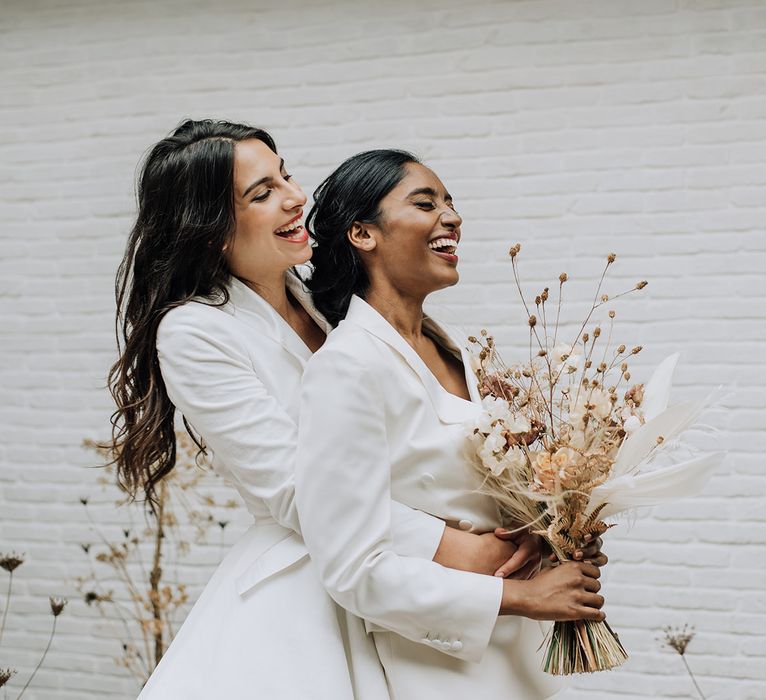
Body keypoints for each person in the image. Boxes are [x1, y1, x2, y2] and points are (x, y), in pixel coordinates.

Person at [107, 120, 549, 699]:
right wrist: (456, 547)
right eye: (261, 193)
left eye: (285, 175)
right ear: (213, 230)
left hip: (406, 581)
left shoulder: (328, 304)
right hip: (314, 587)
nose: (295, 197)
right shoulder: (195, 332)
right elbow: (295, 489)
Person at [296, 149, 607, 699]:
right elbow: (354, 569)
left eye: (451, 203)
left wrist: (555, 534)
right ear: (362, 233)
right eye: (425, 203)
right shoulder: (347, 368)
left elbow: (485, 496)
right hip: (434, 660)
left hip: (515, 651)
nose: (452, 217)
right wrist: (520, 599)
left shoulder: (460, 351)